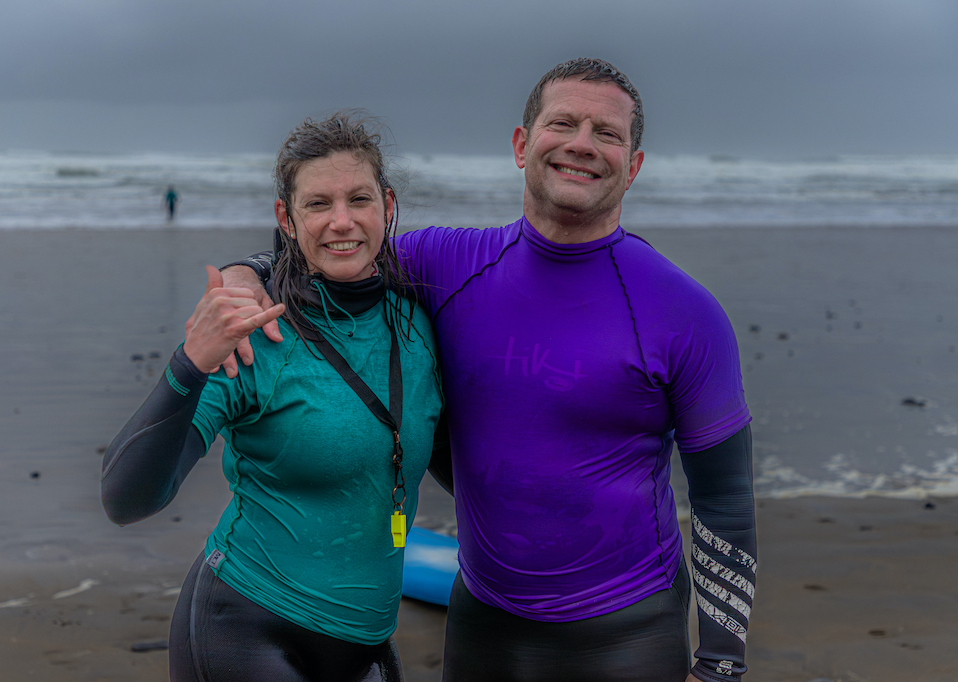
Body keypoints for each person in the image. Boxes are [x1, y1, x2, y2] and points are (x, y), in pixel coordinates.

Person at [221, 59, 756, 682]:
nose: (582, 144)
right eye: (563, 123)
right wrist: (245, 272)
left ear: (632, 165)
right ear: (522, 144)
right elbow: (334, 246)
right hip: (483, 624)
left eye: (606, 133)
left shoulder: (683, 312)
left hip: (626, 634)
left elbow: (725, 503)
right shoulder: (446, 265)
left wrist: (720, 665)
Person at [102, 113, 448, 682]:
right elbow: (126, 498)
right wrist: (190, 364)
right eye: (317, 204)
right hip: (245, 627)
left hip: (367, 643)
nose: (342, 221)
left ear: (387, 204)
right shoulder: (255, 336)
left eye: (358, 198)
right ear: (286, 218)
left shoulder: (419, 323)